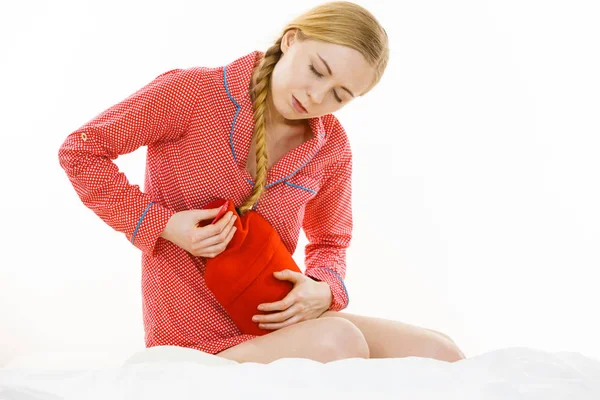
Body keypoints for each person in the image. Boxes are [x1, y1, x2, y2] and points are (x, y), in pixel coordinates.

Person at [58, 1, 466, 364]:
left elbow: (331, 241)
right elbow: (80, 150)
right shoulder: (193, 92)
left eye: (339, 94)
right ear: (291, 41)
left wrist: (324, 290)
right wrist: (162, 223)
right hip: (195, 335)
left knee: (441, 352)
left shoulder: (332, 146)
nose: (317, 96)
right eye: (316, 70)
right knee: (340, 340)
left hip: (280, 316)